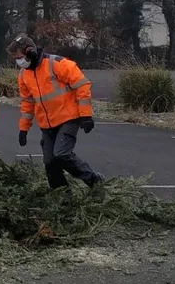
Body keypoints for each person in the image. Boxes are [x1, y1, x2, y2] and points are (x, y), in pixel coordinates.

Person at [8, 35, 104, 190]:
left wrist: (86, 115)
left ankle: (93, 179)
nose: (19, 62)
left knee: (62, 154)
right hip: (47, 124)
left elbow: (82, 85)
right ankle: (62, 198)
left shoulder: (57, 64)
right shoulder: (24, 75)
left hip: (69, 117)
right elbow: (27, 103)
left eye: (19, 57)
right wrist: (23, 129)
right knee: (50, 162)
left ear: (30, 51)